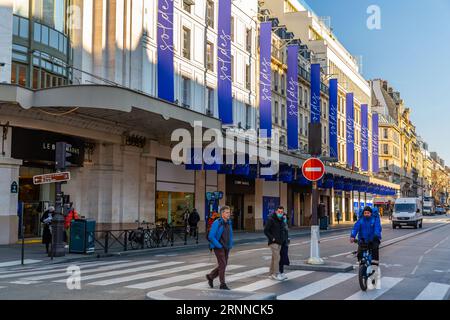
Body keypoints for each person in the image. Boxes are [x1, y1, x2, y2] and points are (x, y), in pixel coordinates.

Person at [206, 206, 234, 290]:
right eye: (227, 212)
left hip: (227, 247)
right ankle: (222, 284)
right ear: (222, 213)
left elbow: (230, 234)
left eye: (229, 212)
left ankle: (211, 276)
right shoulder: (217, 222)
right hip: (219, 247)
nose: (229, 214)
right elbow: (211, 236)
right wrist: (218, 245)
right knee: (223, 264)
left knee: (223, 265)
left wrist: (230, 244)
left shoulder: (229, 222)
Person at [264, 206, 287, 281]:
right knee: (277, 258)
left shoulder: (281, 219)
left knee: (274, 258)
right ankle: (276, 274)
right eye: (279, 212)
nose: (280, 213)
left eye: (281, 212)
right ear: (276, 211)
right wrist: (272, 238)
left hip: (280, 242)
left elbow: (283, 230)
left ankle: (271, 274)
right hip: (273, 242)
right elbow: (266, 230)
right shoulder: (271, 219)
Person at [279, 211, 290, 280]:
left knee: (283, 258)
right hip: (280, 243)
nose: (285, 219)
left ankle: (282, 272)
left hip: (285, 243)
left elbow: (286, 234)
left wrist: (288, 238)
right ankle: (279, 272)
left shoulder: (285, 224)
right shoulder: (280, 225)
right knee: (280, 259)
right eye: (284, 217)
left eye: (285, 217)